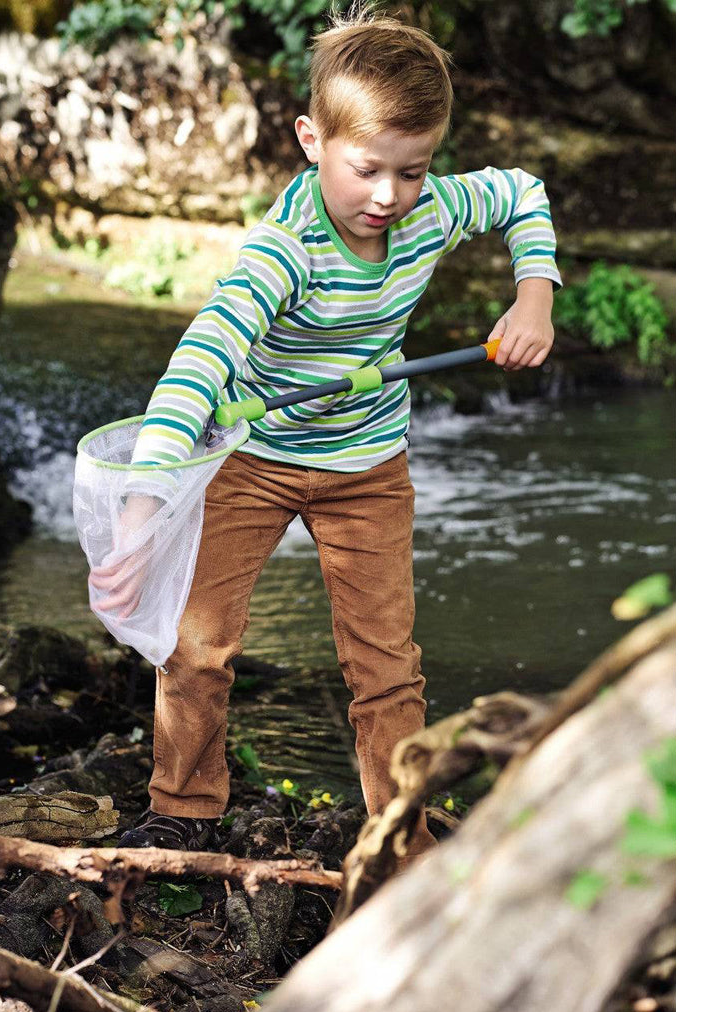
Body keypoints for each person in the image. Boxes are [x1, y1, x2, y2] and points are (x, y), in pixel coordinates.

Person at [92, 5, 561, 859]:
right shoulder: (283, 252)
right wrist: (140, 511)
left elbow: (520, 192)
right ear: (311, 139)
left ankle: (397, 833)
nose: (388, 195)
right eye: (366, 168)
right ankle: (184, 811)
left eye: (412, 170)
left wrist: (534, 291)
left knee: (386, 665)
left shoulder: (432, 210)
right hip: (252, 460)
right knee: (196, 647)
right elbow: (197, 367)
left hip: (369, 466)